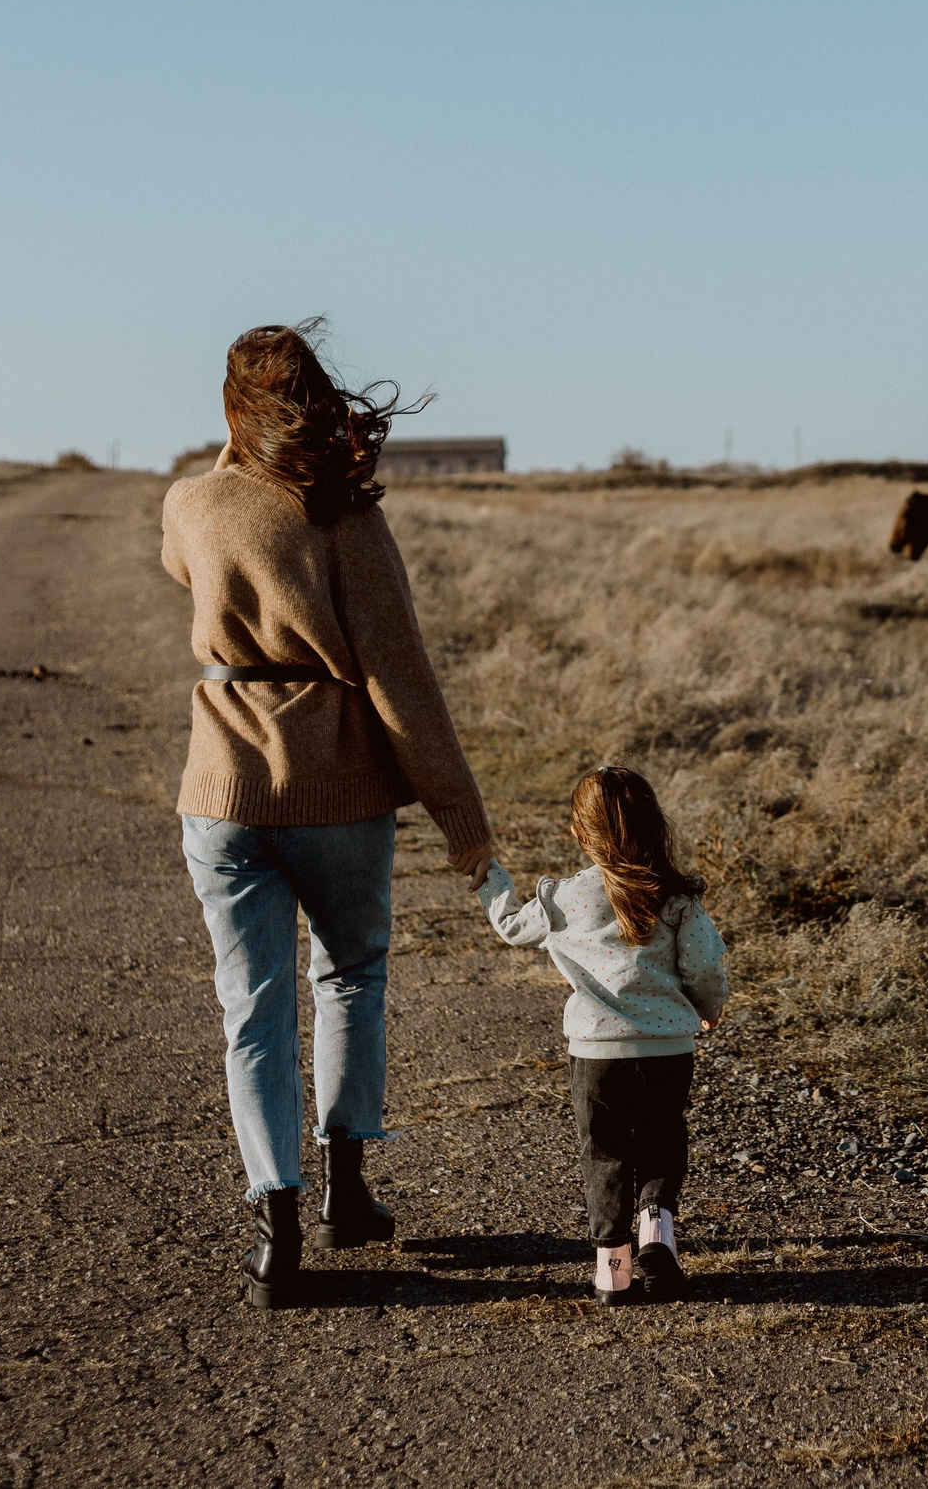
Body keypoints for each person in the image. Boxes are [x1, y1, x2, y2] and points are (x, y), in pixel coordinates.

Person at [161, 320, 494, 1309]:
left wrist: (231, 462)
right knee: (349, 975)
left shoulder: (189, 502)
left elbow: (185, 566)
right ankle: (349, 1190)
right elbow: (399, 672)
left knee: (252, 1007)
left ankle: (277, 1228)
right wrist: (461, 816)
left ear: (233, 411)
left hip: (222, 788)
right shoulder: (344, 513)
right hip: (337, 788)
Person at [482, 767, 728, 1305]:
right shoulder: (677, 898)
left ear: (579, 834)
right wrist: (708, 1009)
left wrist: (491, 880)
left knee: (604, 1152)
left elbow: (511, 927)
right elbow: (705, 966)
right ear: (654, 824)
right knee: (662, 1139)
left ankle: (612, 1271)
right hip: (667, 1049)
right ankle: (657, 1232)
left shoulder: (565, 899)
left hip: (596, 1052)